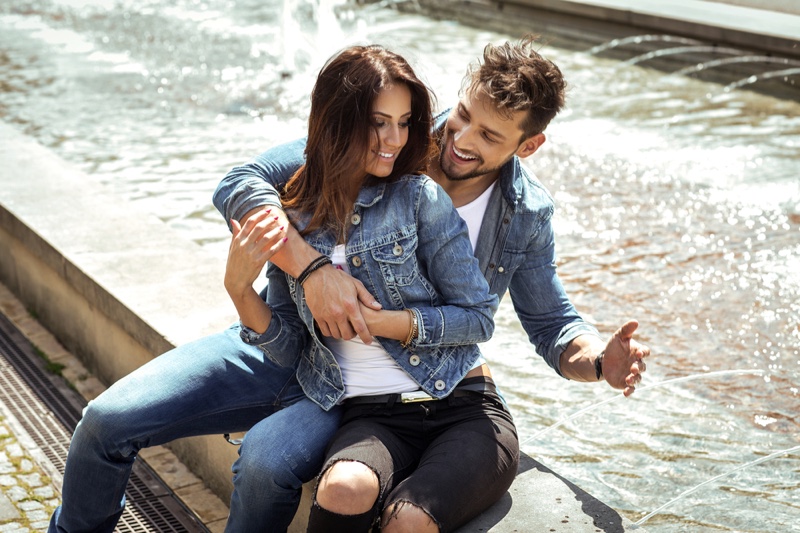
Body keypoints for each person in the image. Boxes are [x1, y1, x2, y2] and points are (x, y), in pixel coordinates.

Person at [213, 34, 650, 530]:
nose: (462, 139)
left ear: (528, 146)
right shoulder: (393, 142)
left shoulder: (525, 213)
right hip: (360, 395)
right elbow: (242, 182)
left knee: (409, 518)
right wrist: (307, 269)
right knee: (314, 477)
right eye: (463, 115)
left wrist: (598, 363)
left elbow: (550, 322)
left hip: (462, 398)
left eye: (489, 136)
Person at [226, 44, 519, 532]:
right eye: (379, 122)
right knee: (343, 489)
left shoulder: (419, 197)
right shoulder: (294, 218)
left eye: (404, 122)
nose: (395, 139)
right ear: (338, 121)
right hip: (371, 417)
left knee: (408, 520)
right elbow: (289, 350)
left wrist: (381, 323)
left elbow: (478, 317)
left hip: (462, 406)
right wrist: (239, 291)